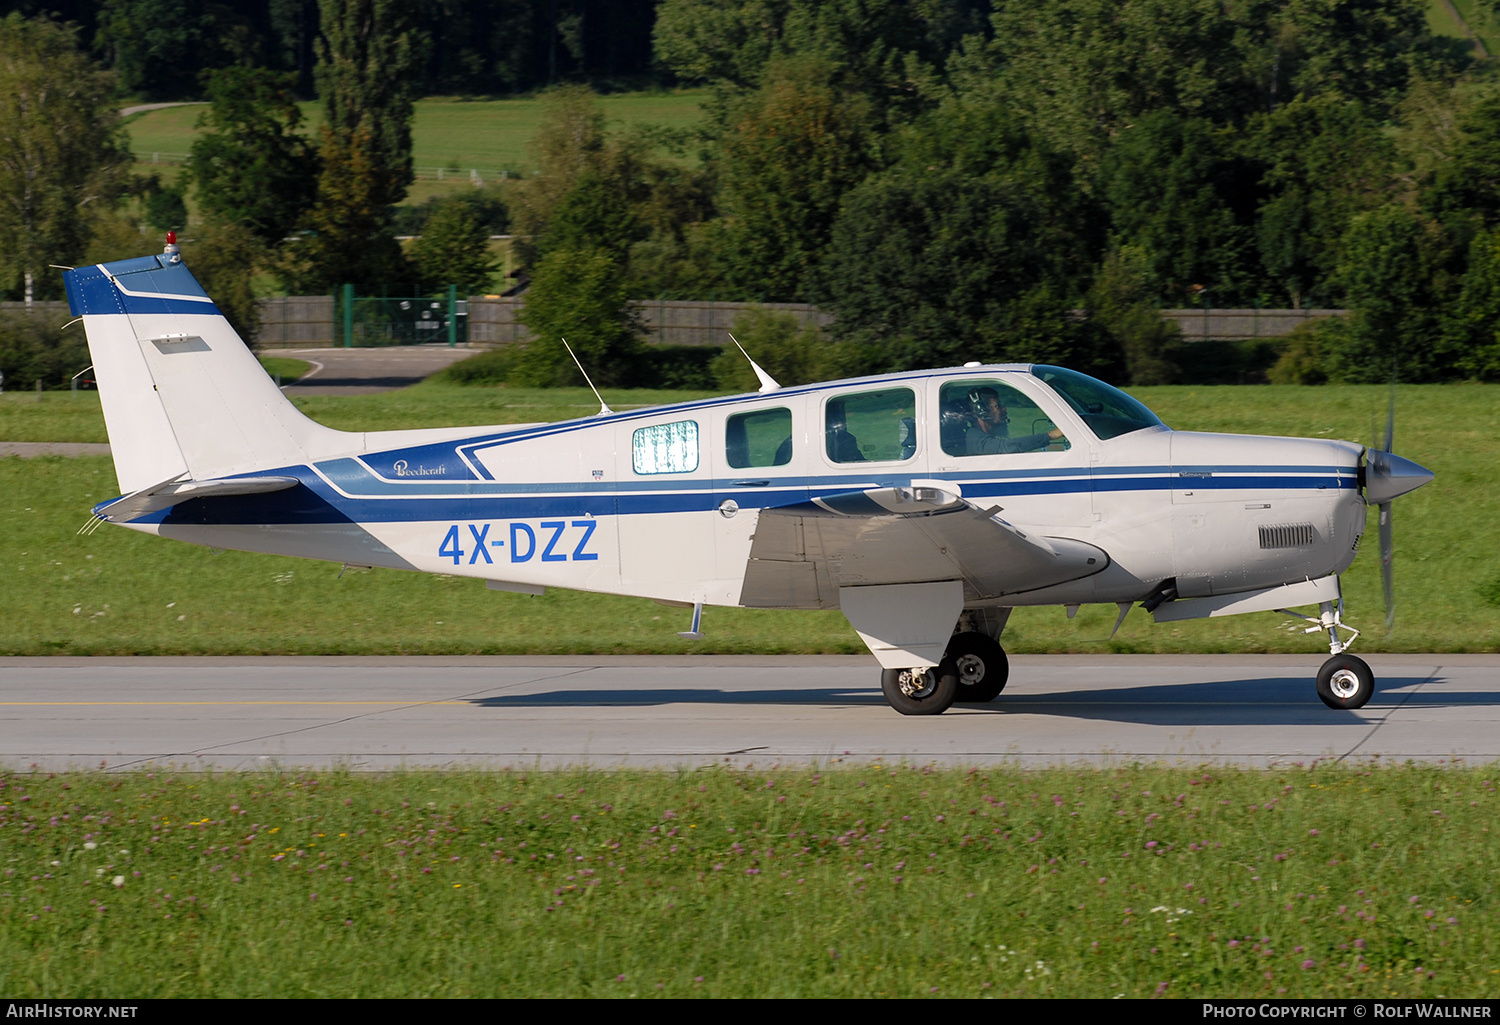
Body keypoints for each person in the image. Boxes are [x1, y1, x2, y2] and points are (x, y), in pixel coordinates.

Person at [964, 387, 1063, 455]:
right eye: (998, 406)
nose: (1004, 409)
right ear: (983, 411)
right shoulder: (974, 438)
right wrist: (1051, 435)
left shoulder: (981, 436)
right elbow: (1006, 447)